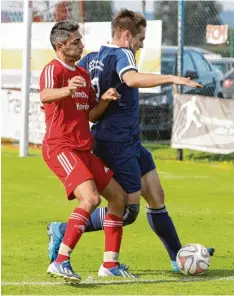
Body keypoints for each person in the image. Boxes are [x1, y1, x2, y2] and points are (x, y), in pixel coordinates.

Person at [47, 10, 214, 272]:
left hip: (129, 140)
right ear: (126, 35)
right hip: (116, 142)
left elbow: (92, 105)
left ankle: (179, 257)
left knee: (156, 195)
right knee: (127, 209)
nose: (142, 44)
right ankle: (63, 230)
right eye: (141, 38)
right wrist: (171, 78)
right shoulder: (122, 53)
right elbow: (131, 79)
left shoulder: (91, 58)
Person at [40, 20, 137, 283]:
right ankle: (61, 261)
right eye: (76, 42)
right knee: (91, 199)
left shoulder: (82, 75)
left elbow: (91, 114)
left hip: (83, 149)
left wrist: (104, 99)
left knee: (119, 198)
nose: (82, 45)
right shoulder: (54, 69)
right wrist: (66, 90)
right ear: (60, 46)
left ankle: (110, 264)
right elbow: (45, 95)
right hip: (61, 147)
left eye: (81, 40)